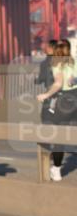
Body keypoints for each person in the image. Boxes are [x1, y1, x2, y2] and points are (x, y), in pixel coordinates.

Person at [36, 40, 77, 182]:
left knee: (57, 134)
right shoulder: (74, 63)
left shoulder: (57, 64)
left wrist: (45, 95)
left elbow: (58, 84)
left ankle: (56, 169)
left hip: (63, 102)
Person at [36, 40, 60, 123]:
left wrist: (36, 80)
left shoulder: (45, 63)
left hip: (51, 93)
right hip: (65, 95)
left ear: (50, 48)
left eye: (47, 47)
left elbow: (41, 78)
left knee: (46, 117)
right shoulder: (63, 61)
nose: (45, 48)